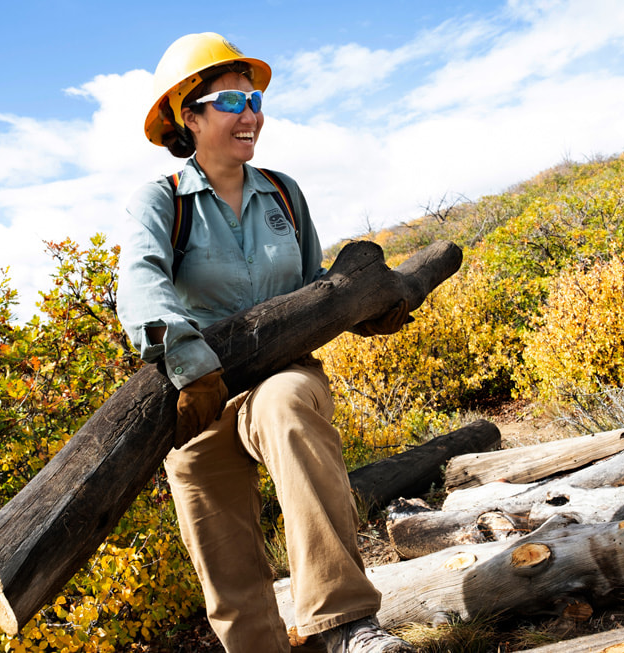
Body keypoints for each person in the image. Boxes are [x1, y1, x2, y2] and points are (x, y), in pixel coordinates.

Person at [116, 33, 416, 653]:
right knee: (221, 557)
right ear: (188, 117)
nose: (249, 115)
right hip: (197, 395)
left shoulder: (284, 193)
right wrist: (191, 367)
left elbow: (315, 289)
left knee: (285, 406)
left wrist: (368, 311)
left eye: (253, 100)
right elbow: (142, 283)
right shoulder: (160, 202)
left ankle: (345, 626)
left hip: (283, 374)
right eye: (229, 103)